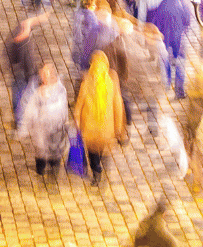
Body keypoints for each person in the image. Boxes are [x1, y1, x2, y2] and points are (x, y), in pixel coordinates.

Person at [72, 50, 125, 185]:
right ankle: (103, 171)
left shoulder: (86, 83)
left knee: (93, 155)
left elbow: (79, 105)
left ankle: (97, 174)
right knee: (104, 153)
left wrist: (77, 119)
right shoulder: (111, 84)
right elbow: (118, 108)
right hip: (106, 130)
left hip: (90, 129)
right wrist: (118, 128)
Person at [16, 63, 69, 179]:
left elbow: (63, 110)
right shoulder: (37, 93)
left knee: (54, 163)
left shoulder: (60, 91)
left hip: (56, 134)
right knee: (40, 162)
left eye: (46, 74)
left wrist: (65, 124)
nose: (44, 77)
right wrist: (24, 129)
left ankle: (52, 178)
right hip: (41, 136)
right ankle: (41, 173)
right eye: (42, 74)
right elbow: (29, 111)